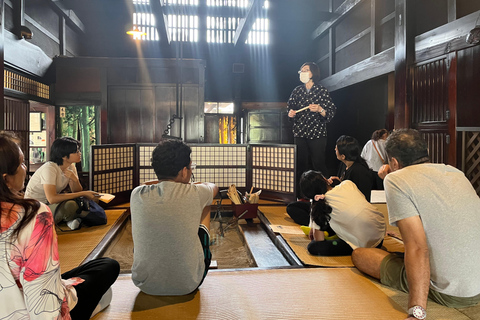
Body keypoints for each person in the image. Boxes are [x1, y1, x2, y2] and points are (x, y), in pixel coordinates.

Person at [351, 129, 480, 320]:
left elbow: (418, 247)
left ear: (393, 162)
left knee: (361, 255)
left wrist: (416, 312)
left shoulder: (396, 180)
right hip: (476, 284)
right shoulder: (455, 172)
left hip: (452, 293)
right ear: (425, 151)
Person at [0, 133, 120, 319]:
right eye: (23, 163)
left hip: (16, 296)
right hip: (35, 309)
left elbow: (78, 192)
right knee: (108, 268)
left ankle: (74, 221)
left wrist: (73, 178)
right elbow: (52, 198)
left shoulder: (69, 167)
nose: (26, 169)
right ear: (6, 178)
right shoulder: (33, 214)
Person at [130, 139, 219, 295]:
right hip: (188, 283)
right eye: (191, 167)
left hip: (144, 284)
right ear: (184, 171)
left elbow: (145, 184)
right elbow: (213, 187)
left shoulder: (137, 194)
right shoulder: (196, 193)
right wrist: (193, 185)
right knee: (206, 205)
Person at [290, 170, 385, 256]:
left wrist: (315, 227)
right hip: (379, 235)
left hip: (363, 244)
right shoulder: (347, 184)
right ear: (325, 179)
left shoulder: (318, 206)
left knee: (313, 247)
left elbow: (318, 240)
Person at [25, 137, 99, 230]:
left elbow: (76, 191)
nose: (79, 153)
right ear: (64, 156)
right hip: (36, 208)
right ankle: (69, 220)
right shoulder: (50, 168)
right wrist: (84, 193)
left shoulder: (71, 166)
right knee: (71, 206)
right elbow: (52, 198)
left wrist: (75, 179)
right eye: (76, 152)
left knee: (87, 201)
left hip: (52, 204)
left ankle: (70, 220)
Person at [287, 62, 336, 197]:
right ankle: (300, 194)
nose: (302, 73)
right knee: (300, 164)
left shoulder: (322, 90)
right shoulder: (297, 91)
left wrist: (320, 109)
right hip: (300, 132)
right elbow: (290, 108)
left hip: (317, 133)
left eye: (306, 70)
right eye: (301, 71)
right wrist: (290, 113)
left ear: (313, 73)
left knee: (319, 163)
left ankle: (325, 193)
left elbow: (331, 111)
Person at [328, 135, 375, 201]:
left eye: (336, 149)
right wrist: (339, 182)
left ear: (343, 156)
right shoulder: (344, 165)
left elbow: (361, 195)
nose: (335, 149)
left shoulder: (359, 171)